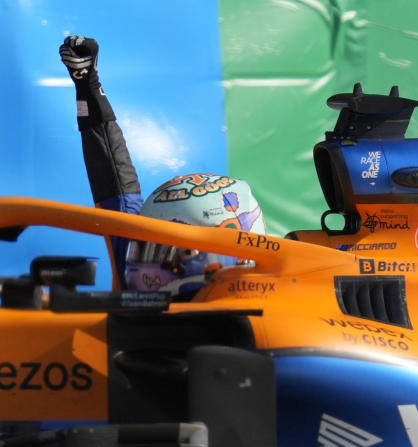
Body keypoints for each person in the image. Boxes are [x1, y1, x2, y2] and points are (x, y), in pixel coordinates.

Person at [59, 36, 266, 299]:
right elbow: (114, 176)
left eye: (168, 253)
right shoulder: (136, 251)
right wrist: (87, 86)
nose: (140, 264)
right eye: (147, 250)